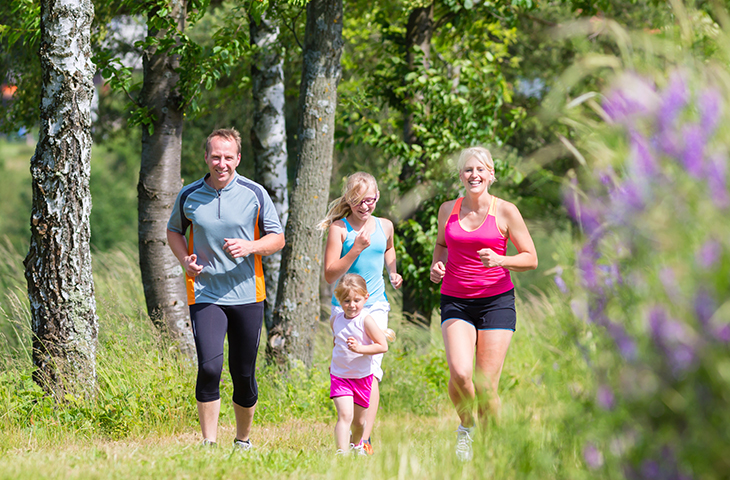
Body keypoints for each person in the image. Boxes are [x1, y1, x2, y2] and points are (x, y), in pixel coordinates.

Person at [166, 128, 285, 450]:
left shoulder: (254, 192)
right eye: (215, 156)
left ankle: (243, 440)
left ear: (238, 159)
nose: (222, 163)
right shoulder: (189, 194)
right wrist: (184, 260)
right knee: (209, 367)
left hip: (248, 294)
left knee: (243, 373)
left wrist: (250, 246)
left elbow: (277, 238)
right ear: (206, 157)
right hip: (205, 294)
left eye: (228, 157)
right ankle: (208, 443)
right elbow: (174, 230)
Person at [429, 146, 538, 461]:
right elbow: (440, 244)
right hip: (455, 300)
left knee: (486, 387)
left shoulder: (506, 211)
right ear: (460, 175)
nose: (474, 175)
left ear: (491, 174)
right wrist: (438, 264)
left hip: (496, 303)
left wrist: (501, 259)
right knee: (461, 373)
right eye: (467, 170)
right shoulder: (447, 209)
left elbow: (531, 258)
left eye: (480, 170)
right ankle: (467, 428)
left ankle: (494, 453)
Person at [318, 172, 403, 455]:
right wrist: (355, 249)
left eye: (370, 200)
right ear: (349, 200)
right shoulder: (339, 229)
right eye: (358, 201)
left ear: (377, 197)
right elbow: (330, 274)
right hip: (343, 305)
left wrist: (392, 272)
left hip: (375, 304)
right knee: (349, 359)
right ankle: (349, 420)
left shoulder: (385, 225)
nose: (365, 207)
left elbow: (388, 249)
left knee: (373, 369)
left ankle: (363, 440)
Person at [329, 274, 389, 455]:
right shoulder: (336, 320)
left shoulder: (366, 320)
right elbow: (336, 342)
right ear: (339, 300)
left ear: (366, 298)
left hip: (363, 378)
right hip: (340, 377)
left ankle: (357, 447)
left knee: (359, 422)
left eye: (357, 300)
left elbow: (382, 345)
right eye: (346, 301)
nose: (352, 305)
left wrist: (360, 348)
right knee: (345, 416)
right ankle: (341, 453)